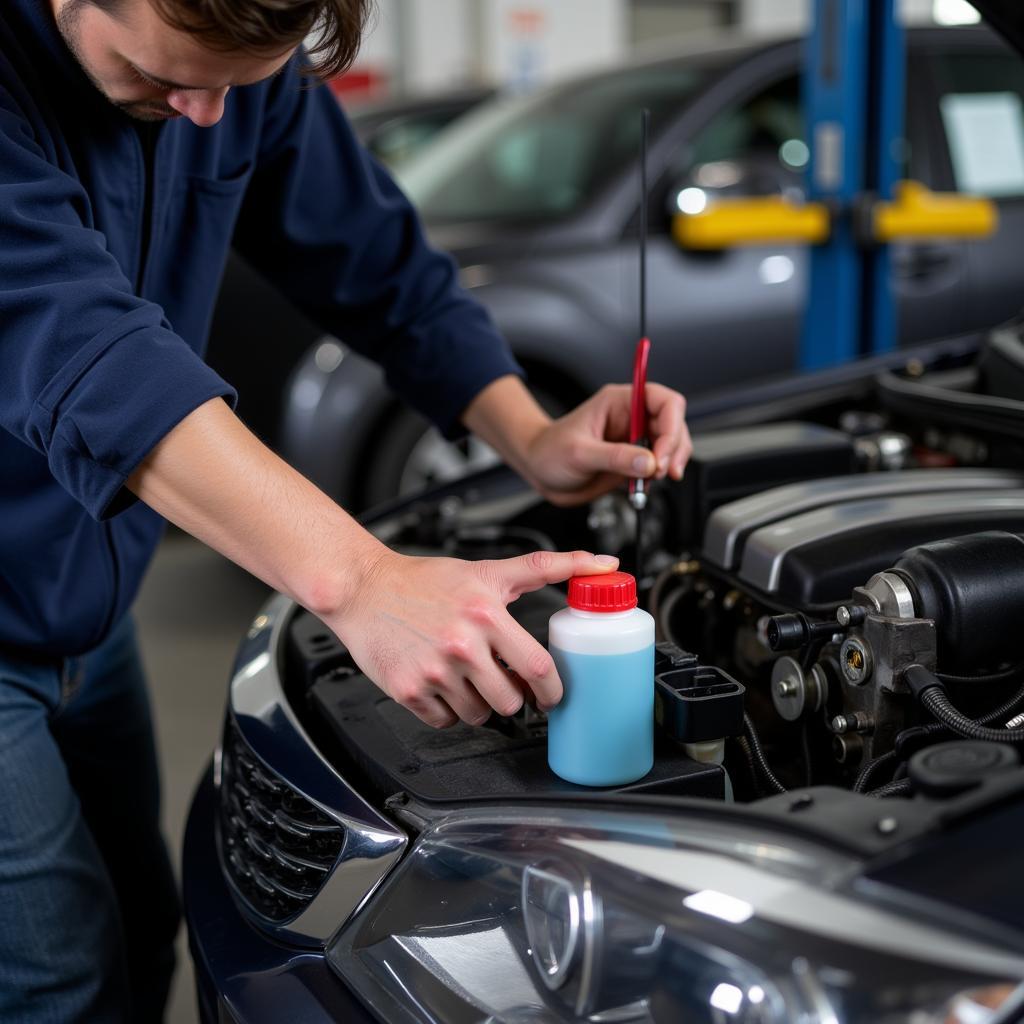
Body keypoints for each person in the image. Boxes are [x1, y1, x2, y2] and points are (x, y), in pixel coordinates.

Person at [0, 0, 692, 1019]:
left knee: (141, 938)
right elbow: (88, 356)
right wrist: (364, 581)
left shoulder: (229, 63)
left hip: (88, 608)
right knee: (55, 983)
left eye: (235, 88)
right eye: (164, 82)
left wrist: (530, 436)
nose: (203, 116)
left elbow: (378, 262)